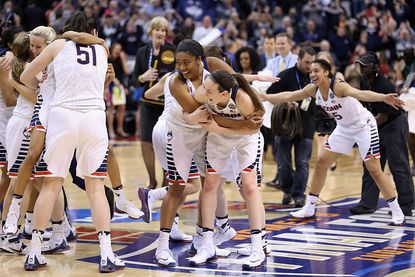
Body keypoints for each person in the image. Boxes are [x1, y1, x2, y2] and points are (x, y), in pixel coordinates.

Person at [20, 11, 124, 272]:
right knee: (96, 187)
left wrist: (47, 80)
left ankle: (34, 252)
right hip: (93, 118)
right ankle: (106, 253)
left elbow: (25, 77)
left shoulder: (57, 44)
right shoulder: (103, 48)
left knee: (50, 185)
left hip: (62, 116)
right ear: (95, 33)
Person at [261, 59, 406, 226]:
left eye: (316, 71)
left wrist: (384, 98)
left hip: (363, 126)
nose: (312, 74)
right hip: (344, 129)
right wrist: (265, 96)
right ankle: (310, 207)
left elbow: (361, 94)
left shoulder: (338, 86)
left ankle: (397, 211)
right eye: (311, 71)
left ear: (326, 73)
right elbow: (289, 95)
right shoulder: (312, 89)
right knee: (322, 162)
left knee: (374, 169)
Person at [188, 70, 266, 269]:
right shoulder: (202, 93)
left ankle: (258, 247)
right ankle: (207, 245)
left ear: (224, 94)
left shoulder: (243, 98)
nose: (205, 92)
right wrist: (193, 118)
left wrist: (219, 128)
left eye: (209, 90)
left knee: (249, 187)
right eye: (205, 87)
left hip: (246, 138)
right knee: (210, 185)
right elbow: (190, 115)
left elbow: (253, 128)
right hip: (218, 138)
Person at [349, 52, 414, 216]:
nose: (361, 68)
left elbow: (384, 116)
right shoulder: (364, 82)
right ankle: (367, 203)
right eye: (360, 65)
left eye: (365, 65)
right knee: (371, 164)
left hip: (393, 125)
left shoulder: (385, 86)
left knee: (398, 166)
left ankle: (406, 205)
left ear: (375, 67)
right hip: (376, 126)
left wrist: (363, 128)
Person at [265, 45, 316, 207]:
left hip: (306, 126)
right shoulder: (286, 75)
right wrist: (286, 102)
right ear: (298, 59)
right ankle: (287, 189)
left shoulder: (315, 77)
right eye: (306, 62)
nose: (310, 67)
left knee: (302, 162)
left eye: (312, 63)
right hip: (284, 126)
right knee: (283, 164)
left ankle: (299, 194)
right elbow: (270, 96)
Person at [133, 16, 175, 189]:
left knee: (167, 143)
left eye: (163, 30)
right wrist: (144, 77)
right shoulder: (142, 52)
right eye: (157, 29)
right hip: (148, 103)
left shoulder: (173, 50)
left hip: (167, 105)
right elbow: (134, 80)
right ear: (150, 32)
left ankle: (167, 179)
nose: (160, 32)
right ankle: (152, 179)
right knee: (145, 142)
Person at [263, 33, 298, 188]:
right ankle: (281, 176)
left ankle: (290, 177)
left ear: (290, 44)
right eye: (278, 43)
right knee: (278, 143)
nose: (280, 46)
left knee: (291, 143)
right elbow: (265, 79)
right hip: (277, 106)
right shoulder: (272, 62)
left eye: (283, 43)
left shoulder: (296, 60)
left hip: (293, 105)